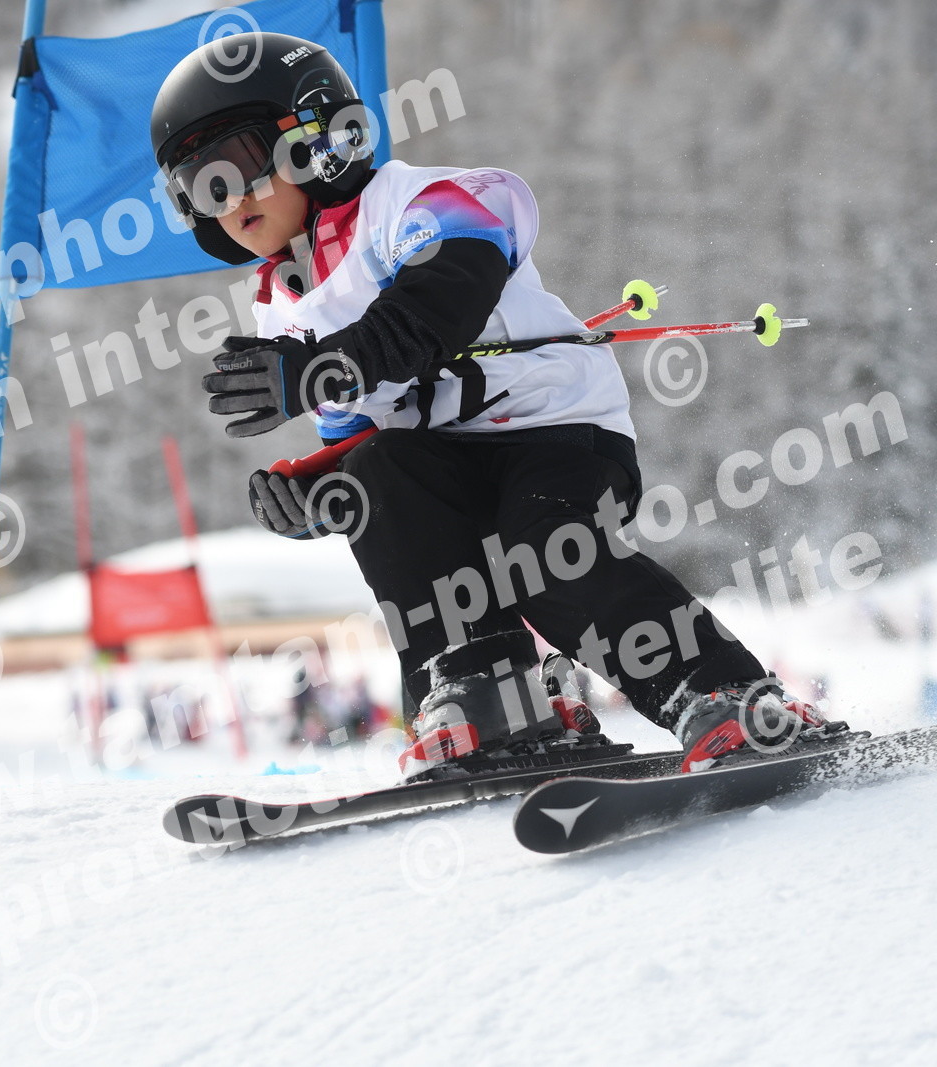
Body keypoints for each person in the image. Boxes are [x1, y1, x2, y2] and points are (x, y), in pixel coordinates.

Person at [149, 32, 848, 777]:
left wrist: (325, 367)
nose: (231, 200)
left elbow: (443, 300)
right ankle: (486, 695)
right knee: (376, 475)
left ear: (316, 136)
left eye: (241, 166)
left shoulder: (412, 203)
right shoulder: (282, 305)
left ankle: (725, 694)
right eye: (203, 187)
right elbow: (362, 439)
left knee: (543, 555)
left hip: (552, 433)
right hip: (443, 462)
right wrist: (316, 494)